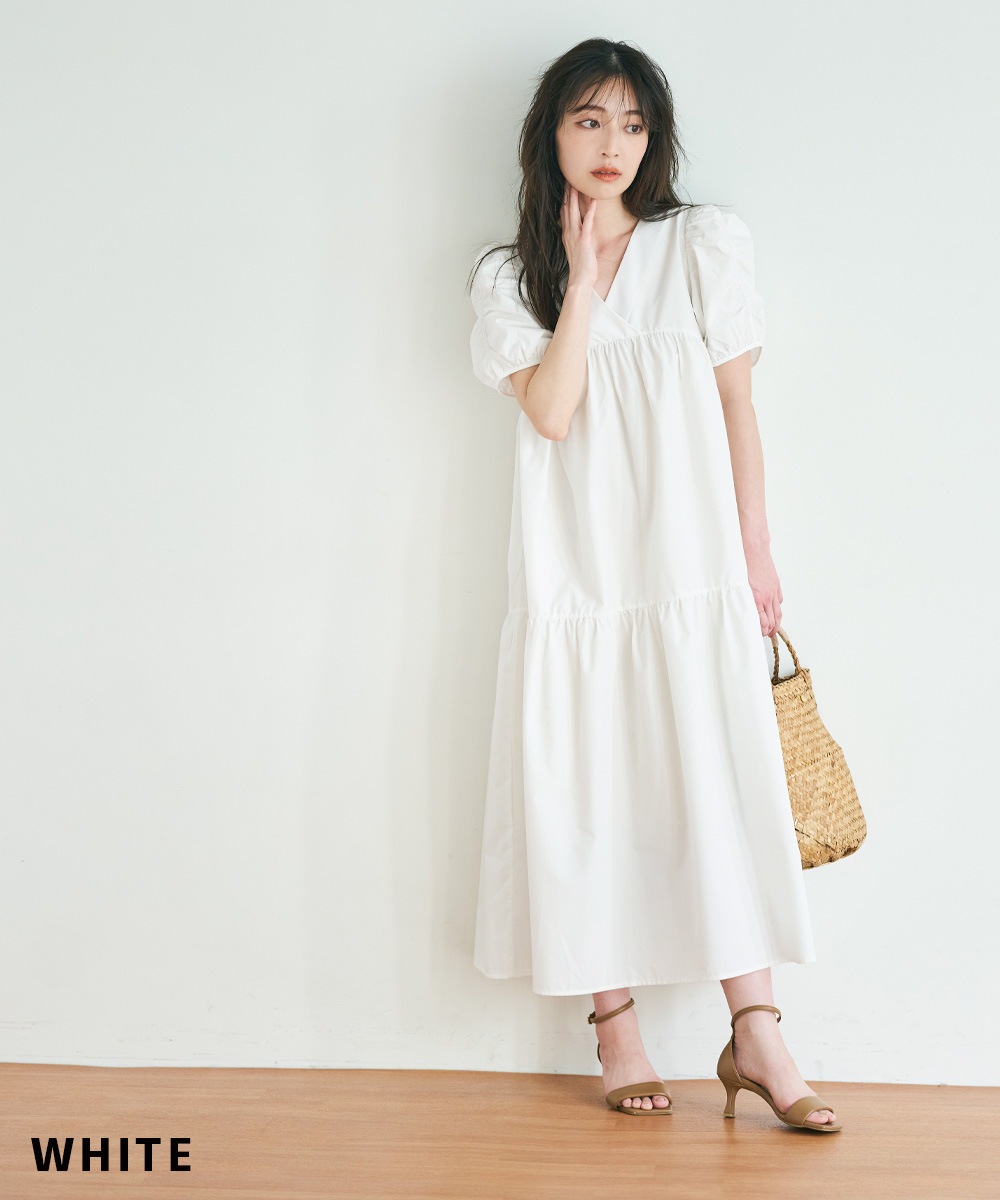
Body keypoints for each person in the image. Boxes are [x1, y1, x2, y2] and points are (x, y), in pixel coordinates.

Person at [467, 38, 840, 1131]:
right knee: (585, 788)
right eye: (588, 120)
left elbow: (735, 407)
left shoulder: (701, 245)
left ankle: (757, 1032)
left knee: (715, 783)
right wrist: (581, 283)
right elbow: (551, 412)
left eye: (631, 124)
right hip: (575, 577)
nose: (611, 144)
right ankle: (616, 1026)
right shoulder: (512, 278)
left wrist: (755, 549)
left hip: (691, 565)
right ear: (550, 134)